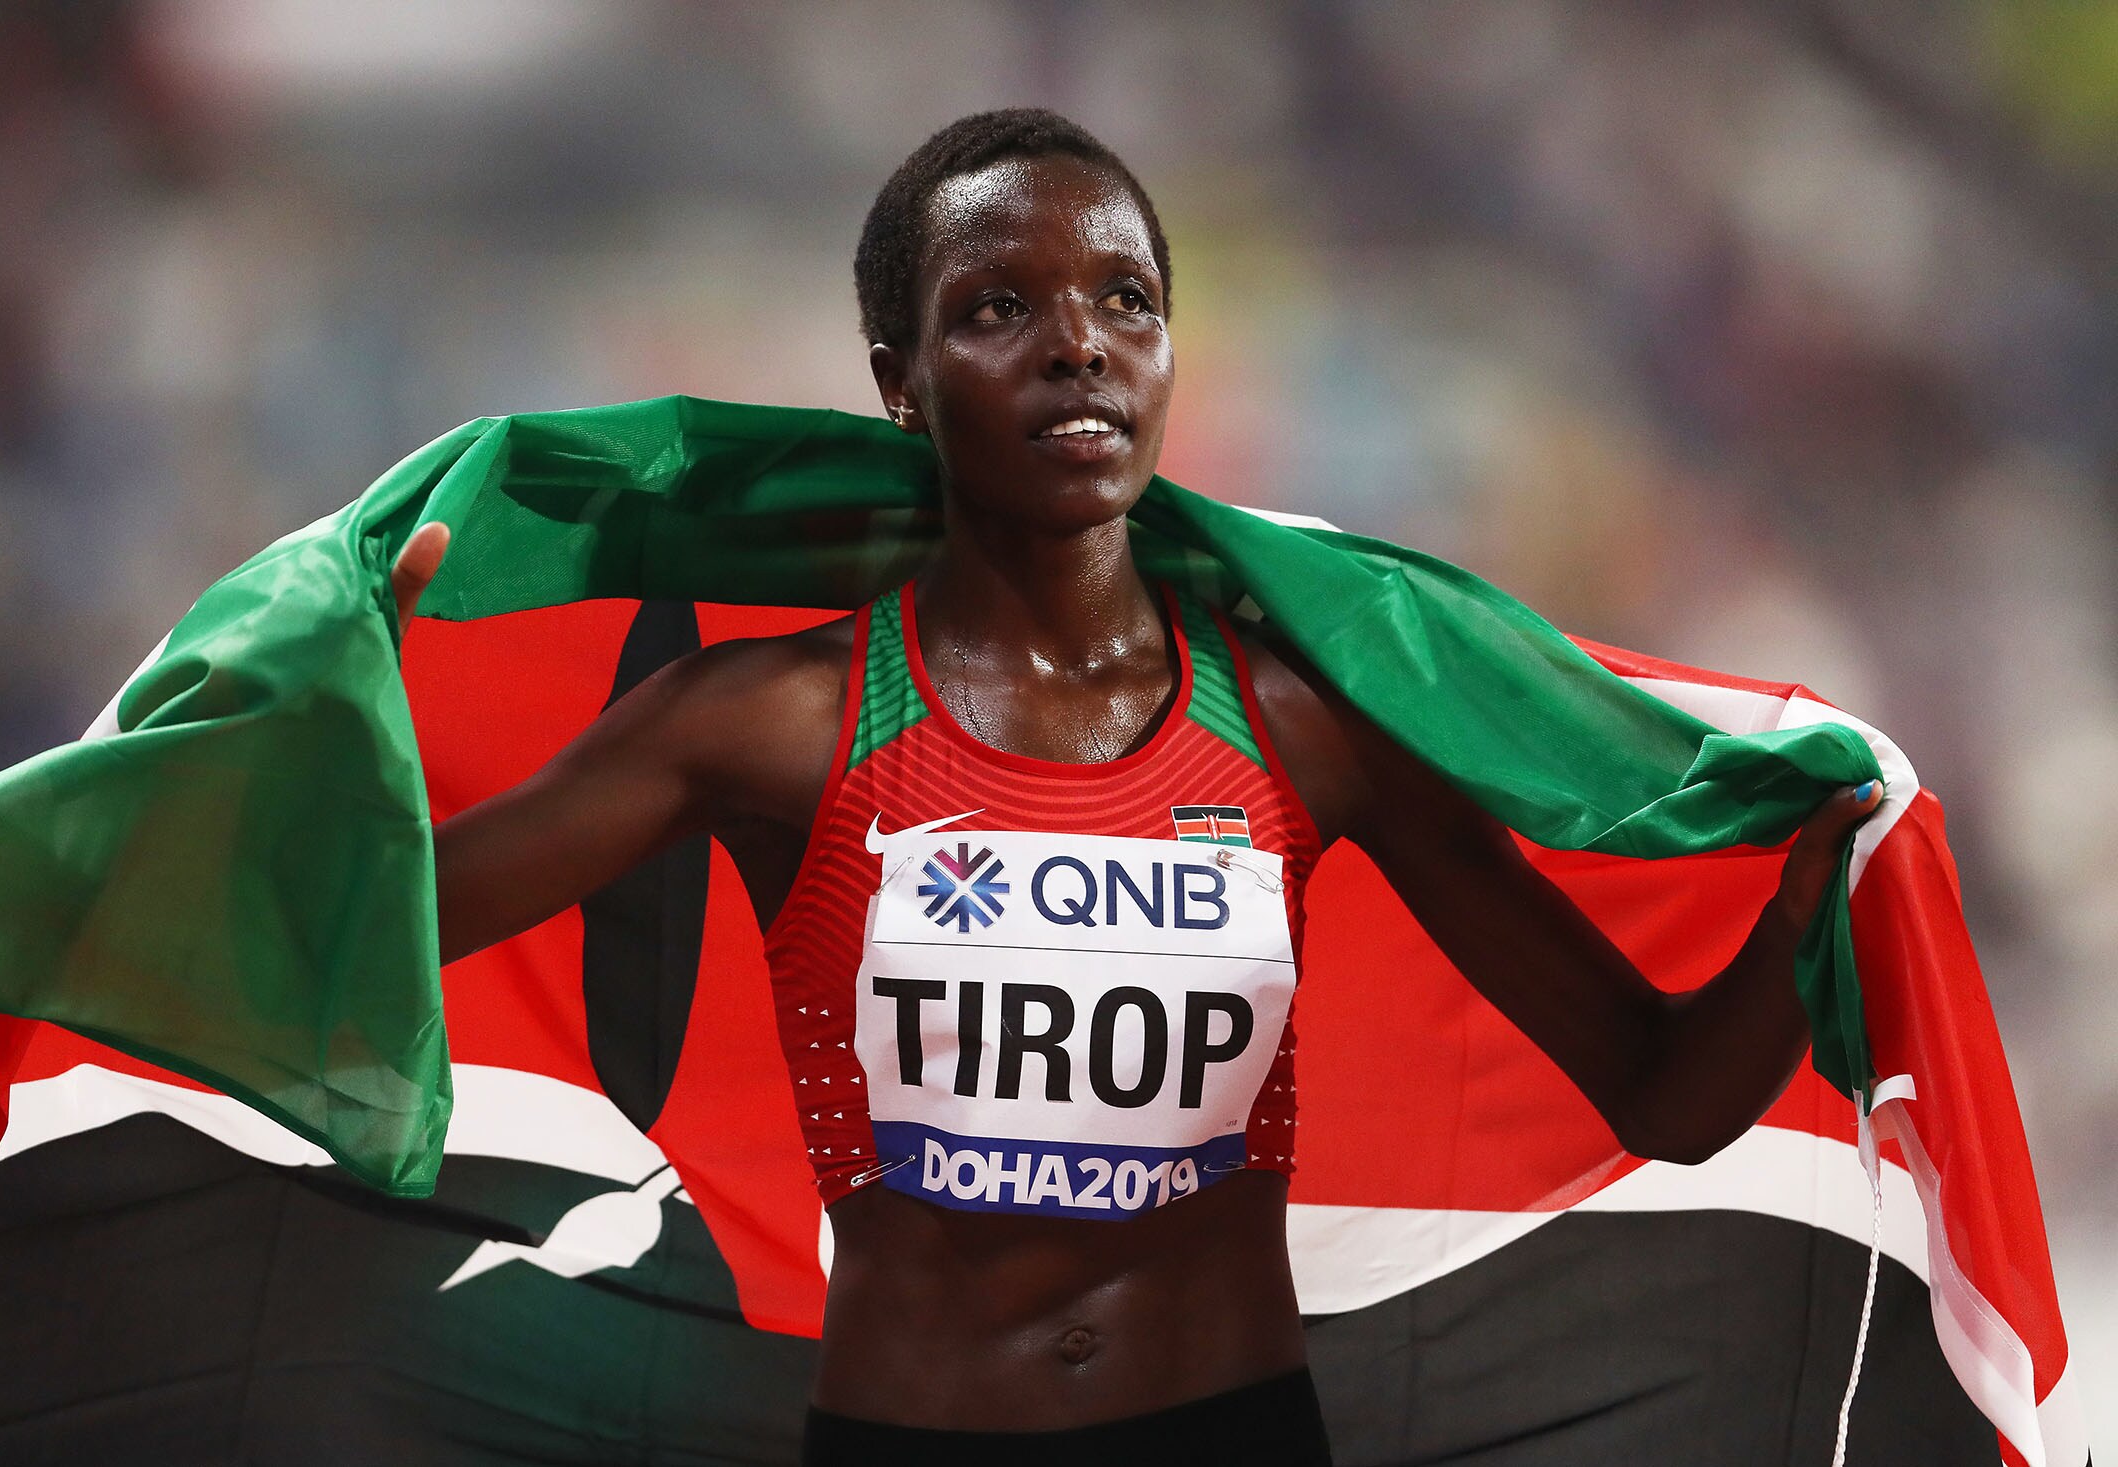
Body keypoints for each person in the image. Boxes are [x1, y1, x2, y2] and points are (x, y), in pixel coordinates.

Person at [387, 109, 1879, 1466]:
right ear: (899, 387)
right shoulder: (772, 723)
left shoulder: (1303, 724)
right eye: (997, 308)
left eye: (1126, 302)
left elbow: (1668, 1096)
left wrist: (1816, 901)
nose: (1079, 344)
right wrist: (347, 694)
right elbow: (372, 933)